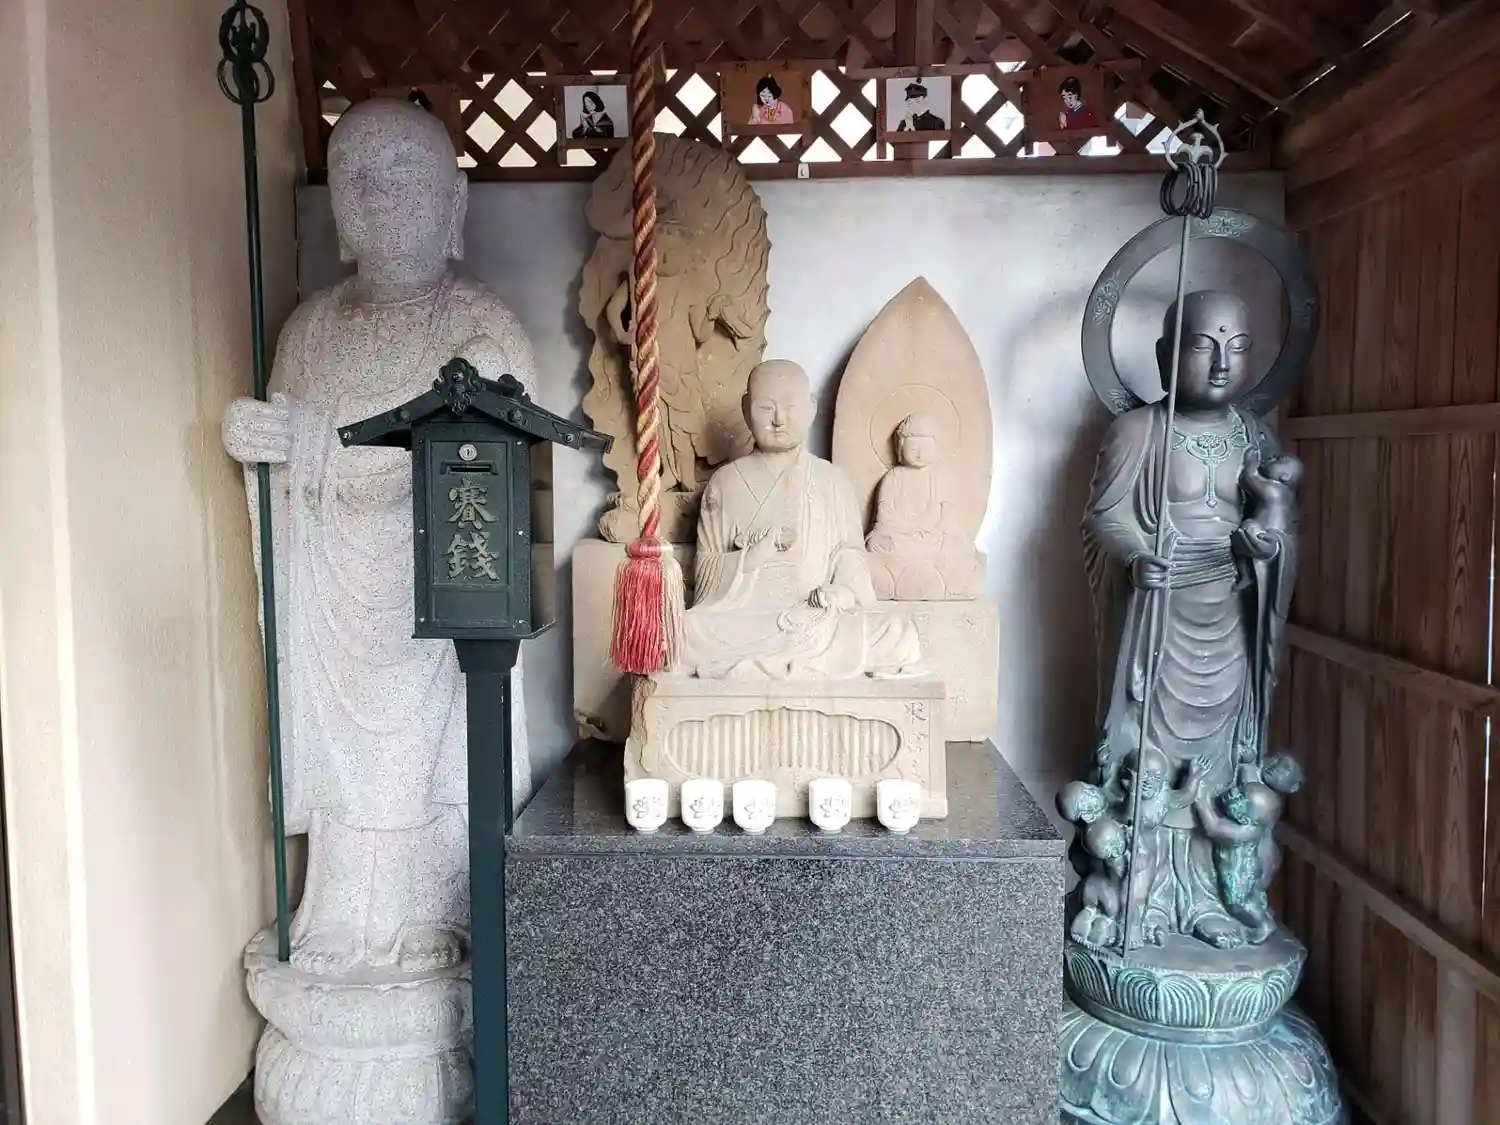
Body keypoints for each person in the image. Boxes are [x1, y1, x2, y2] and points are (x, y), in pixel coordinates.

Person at [680, 360, 922, 679]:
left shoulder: (833, 481)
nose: (779, 419)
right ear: (746, 409)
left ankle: (787, 657)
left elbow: (850, 555)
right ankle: (795, 658)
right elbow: (706, 577)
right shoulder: (725, 483)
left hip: (818, 617)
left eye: (790, 407)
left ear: (811, 408)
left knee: (896, 633)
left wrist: (843, 591)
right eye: (766, 408)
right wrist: (751, 558)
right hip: (747, 621)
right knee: (685, 630)